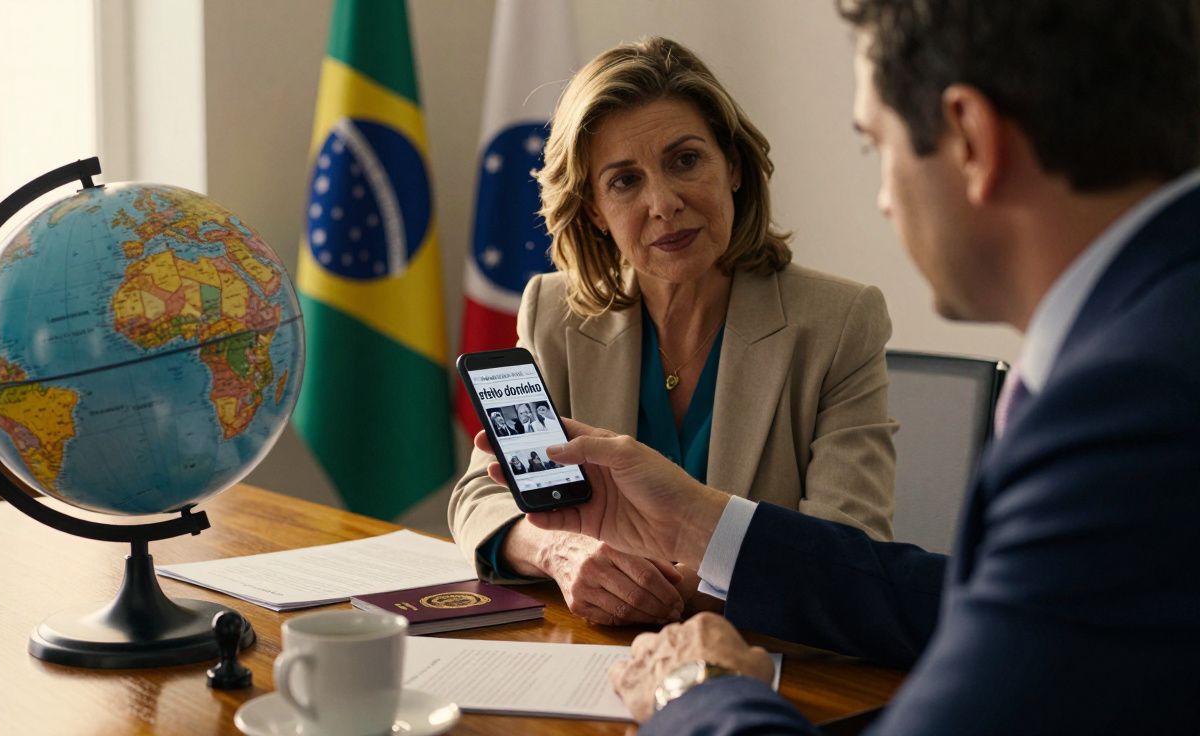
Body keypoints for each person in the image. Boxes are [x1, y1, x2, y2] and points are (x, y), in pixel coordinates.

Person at [481, 0, 1200, 732]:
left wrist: (693, 687)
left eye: (874, 144)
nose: (884, 201)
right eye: (625, 181)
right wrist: (688, 522)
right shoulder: (1141, 354)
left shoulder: (1124, 407)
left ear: (972, 138)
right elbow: (955, 600)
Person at [448, 36, 897, 628]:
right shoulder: (554, 312)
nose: (663, 203)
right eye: (624, 181)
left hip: (762, 657)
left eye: (685, 160)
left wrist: (675, 591)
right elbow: (480, 496)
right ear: (593, 209)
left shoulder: (840, 321)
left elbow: (851, 551)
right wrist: (560, 552)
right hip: (596, 655)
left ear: (733, 166)